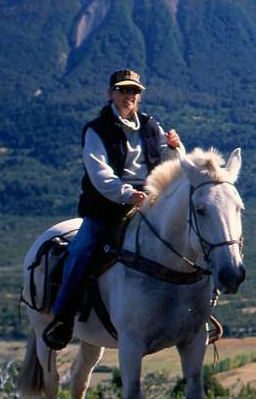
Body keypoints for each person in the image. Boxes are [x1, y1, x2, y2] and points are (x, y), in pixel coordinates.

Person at [42, 69, 183, 350]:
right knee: (81, 250)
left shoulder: (151, 126)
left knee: (187, 240)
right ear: (111, 93)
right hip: (108, 207)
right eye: (123, 90)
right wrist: (127, 194)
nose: (129, 96)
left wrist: (176, 149)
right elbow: (100, 174)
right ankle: (63, 317)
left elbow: (169, 164)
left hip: (149, 203)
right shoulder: (96, 130)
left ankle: (195, 312)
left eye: (134, 91)